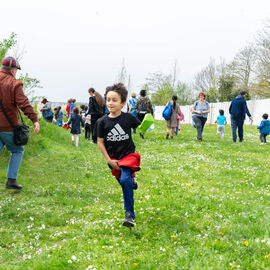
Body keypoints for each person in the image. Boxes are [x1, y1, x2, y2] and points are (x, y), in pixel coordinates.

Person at [96, 83, 141, 227]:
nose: (110, 103)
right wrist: (108, 160)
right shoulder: (101, 122)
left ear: (122, 103)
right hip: (113, 159)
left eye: (114, 100)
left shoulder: (128, 118)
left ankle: (129, 215)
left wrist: (145, 126)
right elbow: (100, 142)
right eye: (108, 99)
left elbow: (140, 125)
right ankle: (131, 181)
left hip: (128, 157)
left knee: (125, 179)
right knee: (123, 181)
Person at [0, 56, 40, 190]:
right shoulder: (14, 83)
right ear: (13, 70)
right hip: (7, 127)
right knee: (17, 150)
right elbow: (24, 104)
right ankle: (11, 181)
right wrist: (34, 119)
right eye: (16, 69)